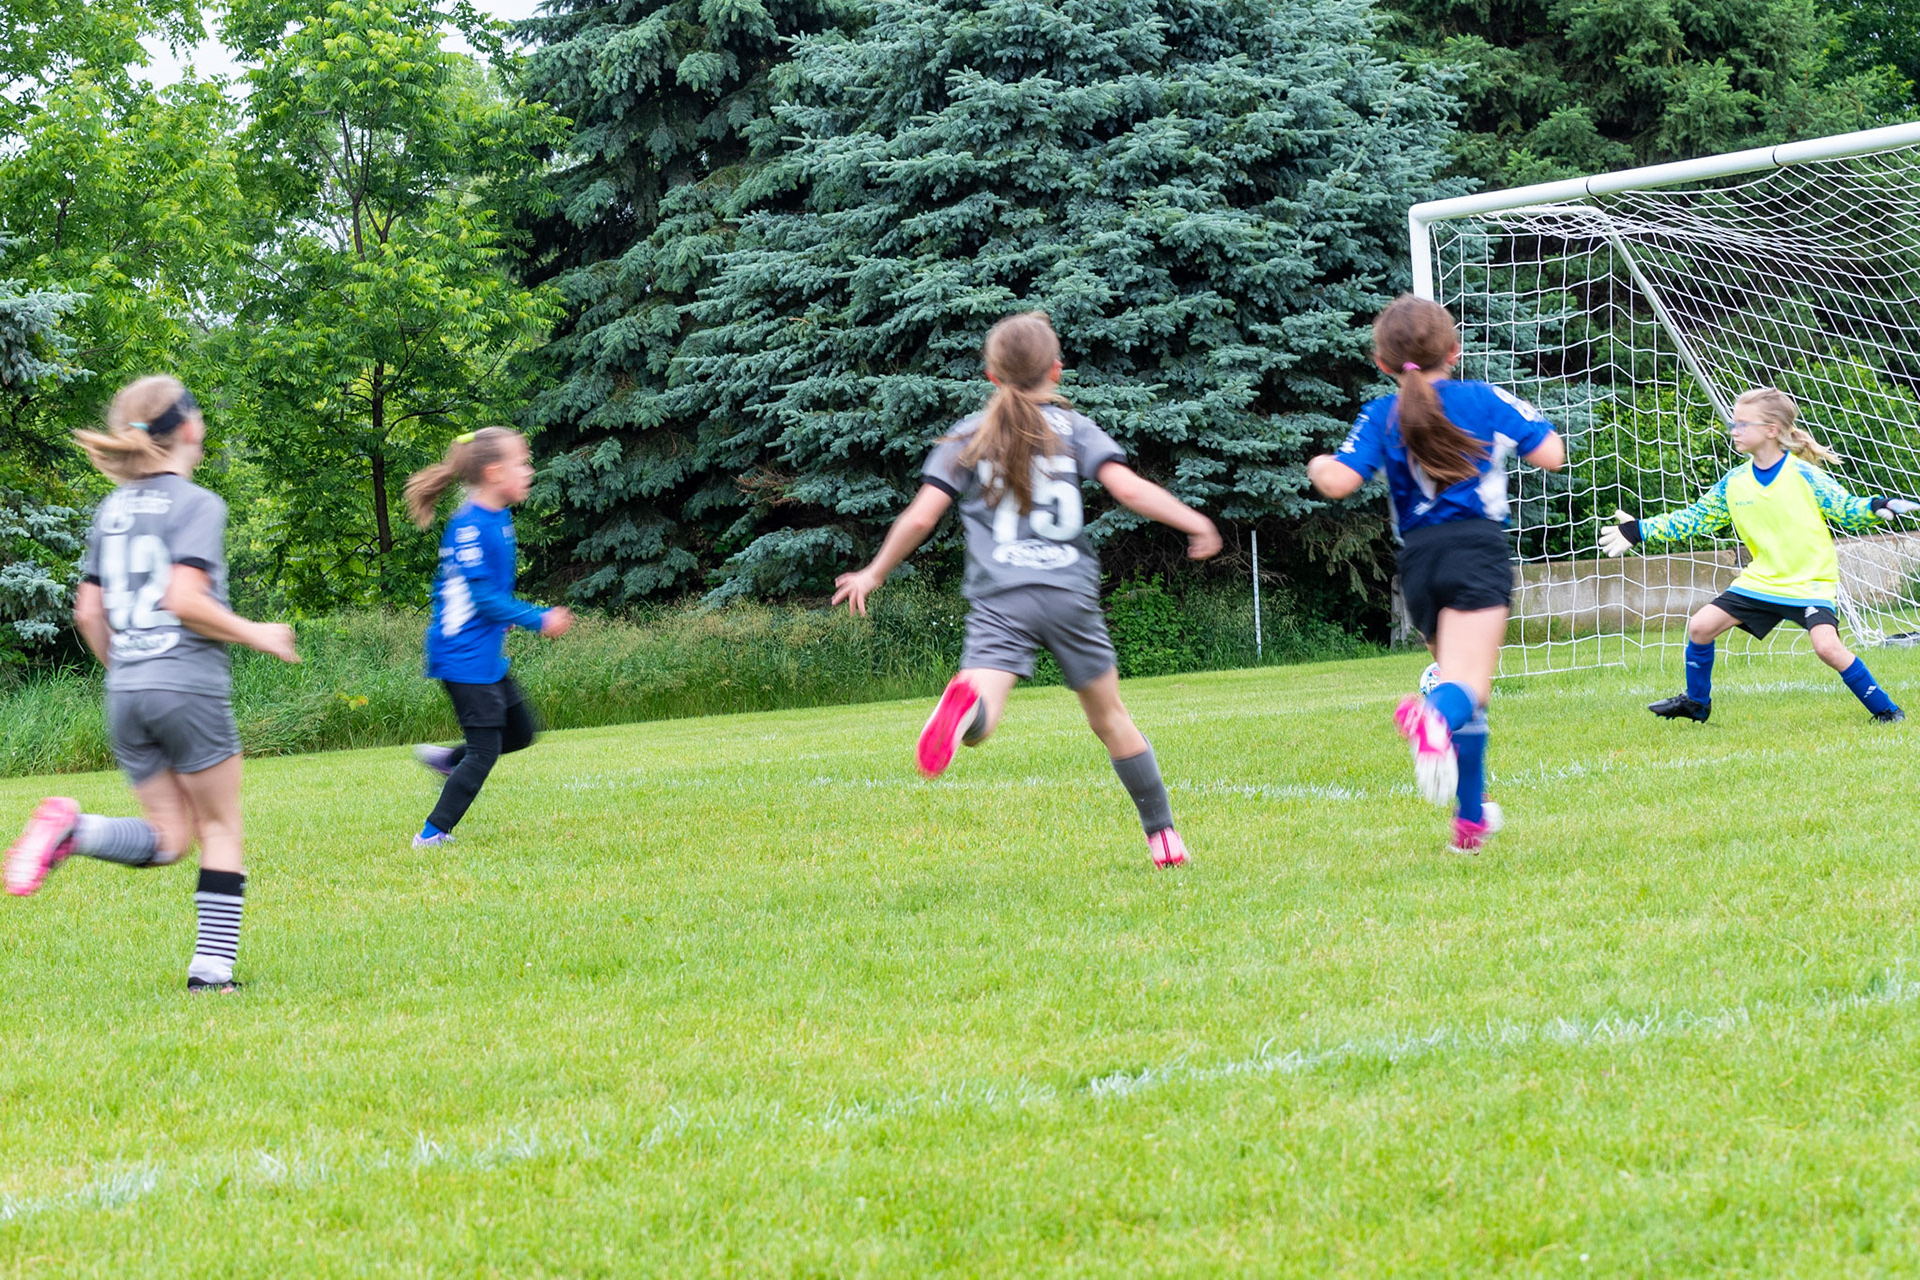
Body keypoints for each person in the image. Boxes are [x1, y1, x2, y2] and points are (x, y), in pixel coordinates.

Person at [832, 311, 1221, 868]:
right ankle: (1163, 837)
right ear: (1056, 371)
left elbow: (921, 517)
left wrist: (874, 571)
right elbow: (1129, 489)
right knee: (1110, 718)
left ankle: (963, 709)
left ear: (990, 375)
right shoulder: (1076, 429)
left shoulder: (969, 434)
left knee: (980, 722)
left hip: (1001, 596)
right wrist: (1194, 521)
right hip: (1069, 594)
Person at [4, 376, 301, 992]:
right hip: (186, 687)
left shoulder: (111, 510)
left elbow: (88, 612)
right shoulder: (198, 504)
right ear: (190, 426)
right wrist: (257, 633)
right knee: (219, 827)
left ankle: (74, 830)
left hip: (127, 691)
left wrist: (131, 672)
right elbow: (183, 599)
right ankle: (211, 973)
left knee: (170, 839)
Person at [1307, 295, 1565, 854]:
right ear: (1456, 351)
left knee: (1466, 688)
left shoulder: (1382, 412)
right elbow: (1552, 455)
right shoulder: (1482, 398)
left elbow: (1337, 483)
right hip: (1477, 551)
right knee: (1466, 687)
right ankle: (1430, 720)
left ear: (1381, 362)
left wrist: (1317, 464)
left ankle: (1469, 821)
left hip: (1419, 561)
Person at [1600, 387, 1915, 723]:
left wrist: (1877, 506)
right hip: (1762, 580)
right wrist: (1639, 530)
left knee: (1827, 648)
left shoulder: (1804, 475)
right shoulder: (1734, 482)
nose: (1734, 431)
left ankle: (1887, 712)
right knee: (1701, 627)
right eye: (1734, 424)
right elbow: (1694, 518)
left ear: (1770, 430)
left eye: (1742, 425)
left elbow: (1844, 506)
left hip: (1809, 582)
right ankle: (1696, 703)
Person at [404, 427, 573, 848]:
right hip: (462, 654)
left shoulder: (497, 517)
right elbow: (480, 597)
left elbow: (483, 592)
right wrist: (537, 617)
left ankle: (448, 760)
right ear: (495, 473)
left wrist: (507, 616)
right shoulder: (469, 525)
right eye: (522, 463)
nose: (530, 471)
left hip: (482, 652)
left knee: (518, 733)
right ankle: (431, 834)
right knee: (485, 750)